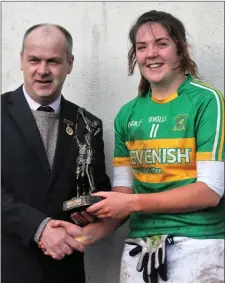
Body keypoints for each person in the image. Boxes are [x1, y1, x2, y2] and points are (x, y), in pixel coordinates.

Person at [47, 10, 224, 283]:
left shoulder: (207, 100)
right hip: (139, 249)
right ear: (135, 55)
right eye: (142, 47)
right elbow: (124, 193)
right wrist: (89, 232)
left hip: (199, 245)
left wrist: (131, 202)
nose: (151, 53)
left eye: (161, 44)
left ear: (181, 50)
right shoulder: (127, 115)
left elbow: (210, 191)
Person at [1, 23, 111, 283]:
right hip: (8, 269)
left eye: (53, 61)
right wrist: (39, 228)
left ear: (69, 64)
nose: (43, 70)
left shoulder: (89, 124)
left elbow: (97, 187)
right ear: (21, 61)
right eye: (34, 60)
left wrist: (91, 210)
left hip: (67, 271)